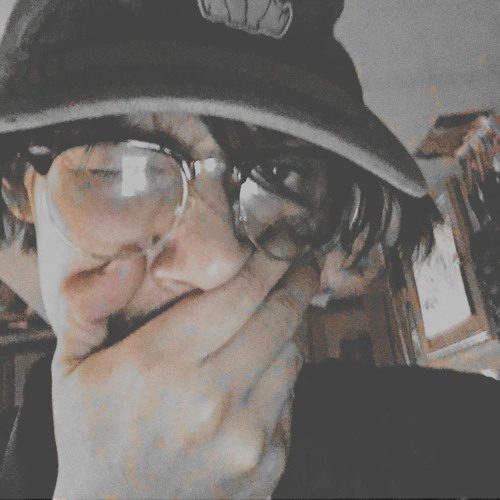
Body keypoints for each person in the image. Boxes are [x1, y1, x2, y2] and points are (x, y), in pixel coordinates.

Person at [0, 0, 499, 498]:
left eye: (281, 172)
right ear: (20, 187)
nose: (220, 263)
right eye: (122, 171)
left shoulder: (450, 439)